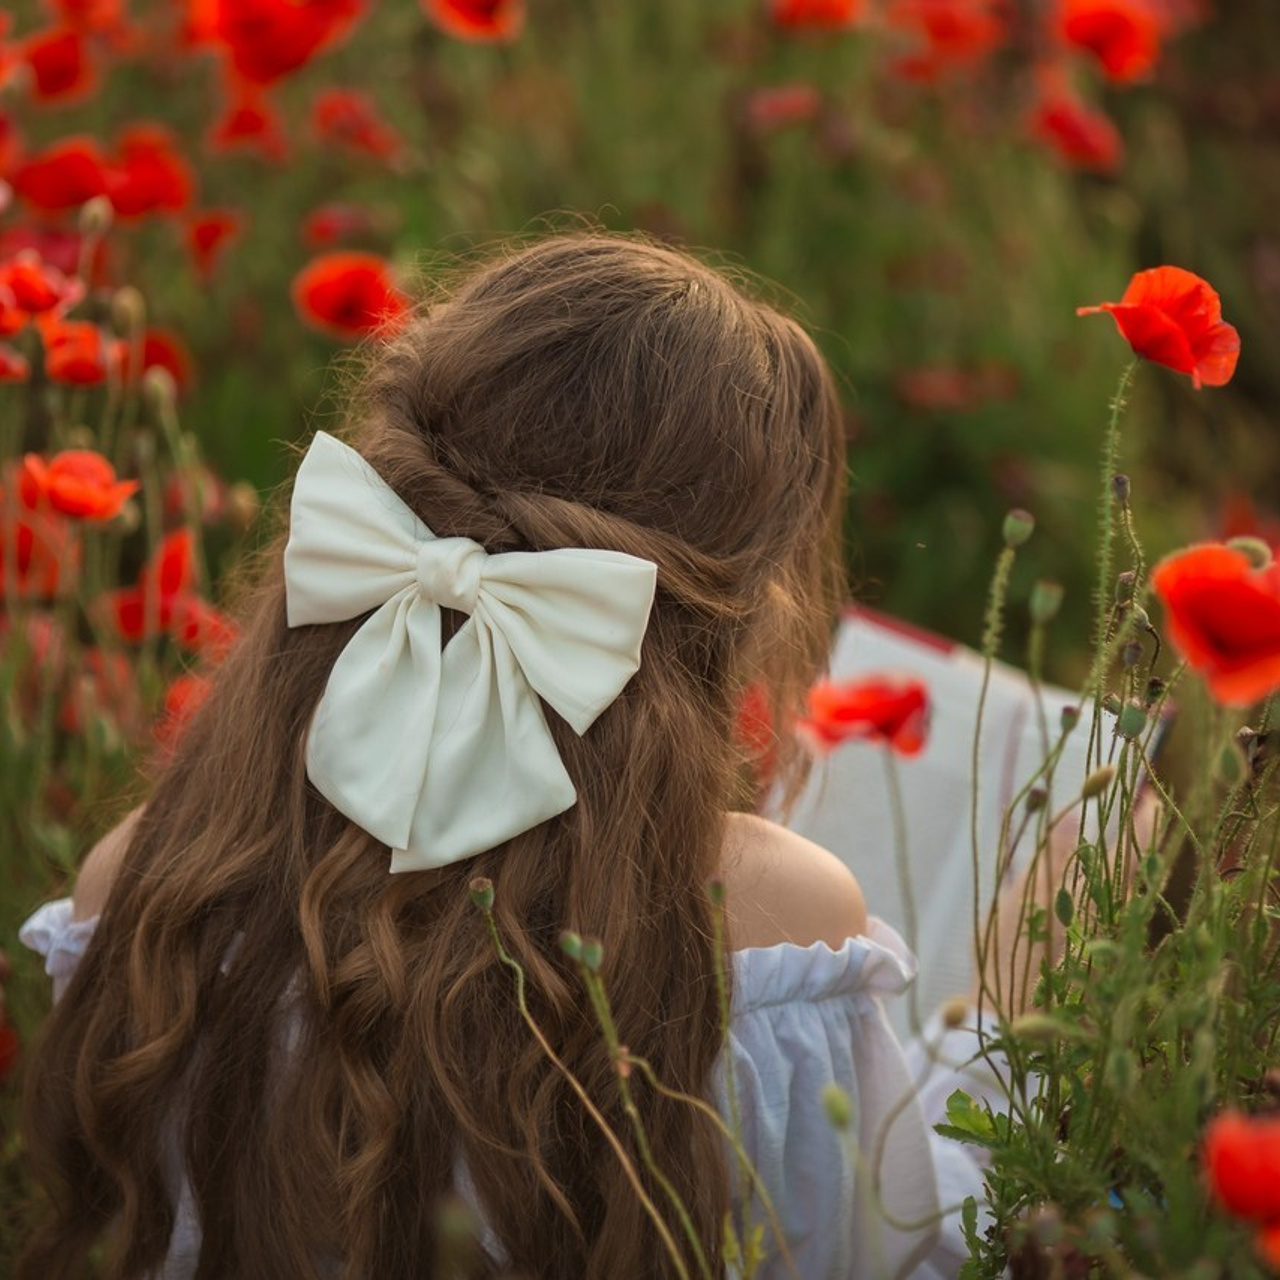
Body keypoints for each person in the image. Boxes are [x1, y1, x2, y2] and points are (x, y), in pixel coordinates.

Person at [18, 234, 986, 1279]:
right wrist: (993, 1031)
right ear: (739, 609)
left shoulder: (139, 889)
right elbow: (869, 1251)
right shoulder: (766, 927)